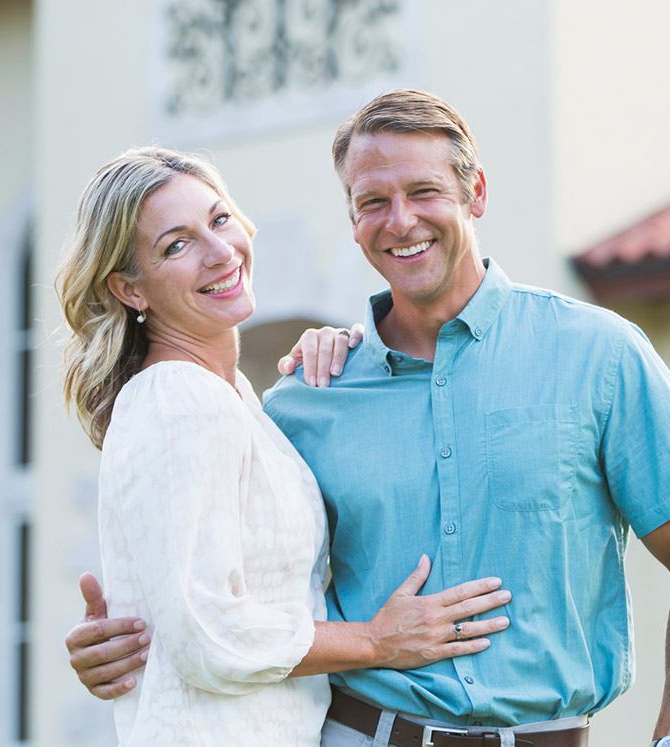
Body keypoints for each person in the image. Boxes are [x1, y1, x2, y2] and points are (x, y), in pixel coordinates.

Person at [67, 90, 670, 747]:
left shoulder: (599, 355)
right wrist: (135, 641)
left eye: (423, 192)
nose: (399, 221)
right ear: (353, 216)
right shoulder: (303, 399)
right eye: (372, 202)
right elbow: (219, 600)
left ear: (475, 193)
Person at [56, 147, 512, 746]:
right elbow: (207, 633)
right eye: (176, 245)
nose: (220, 253)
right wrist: (378, 640)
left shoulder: (239, 400)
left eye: (219, 220)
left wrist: (349, 355)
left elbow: (204, 605)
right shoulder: (178, 397)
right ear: (130, 290)